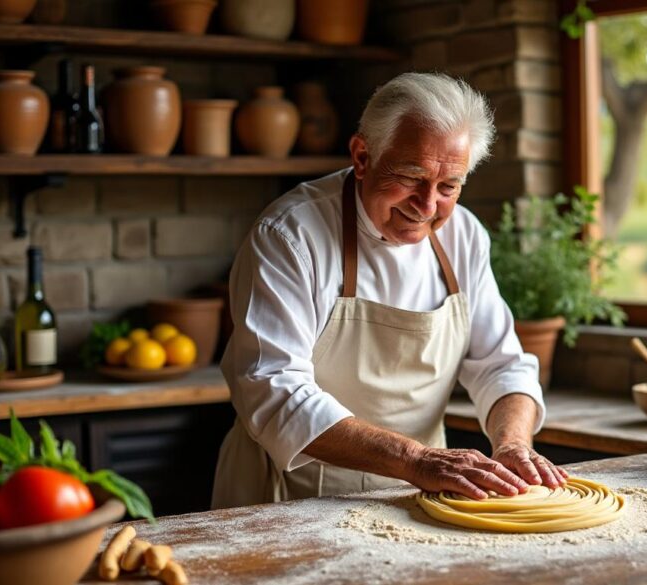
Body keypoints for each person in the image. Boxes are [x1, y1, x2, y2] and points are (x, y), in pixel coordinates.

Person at [211, 72, 567, 509]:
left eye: (448, 186)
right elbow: (273, 391)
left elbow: (502, 365)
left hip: (422, 494)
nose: (427, 205)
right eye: (411, 177)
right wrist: (416, 459)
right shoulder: (289, 236)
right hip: (290, 498)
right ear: (363, 156)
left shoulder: (465, 237)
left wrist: (513, 444)